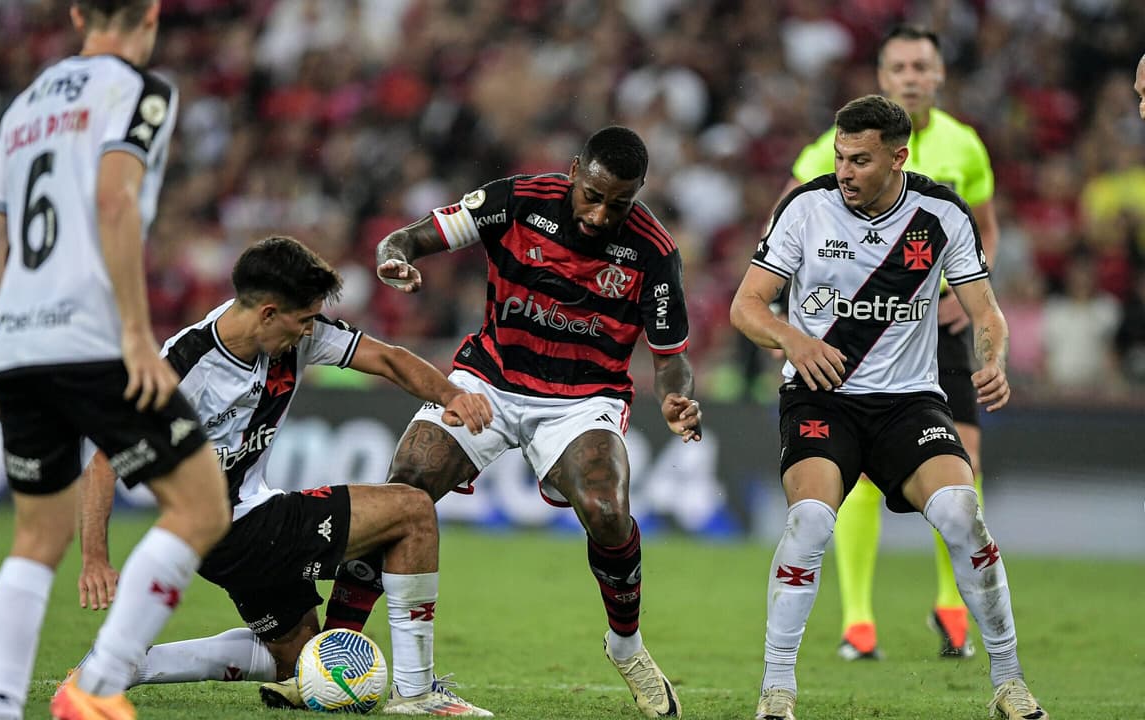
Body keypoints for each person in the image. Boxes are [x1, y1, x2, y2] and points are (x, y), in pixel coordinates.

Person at [323, 125, 701, 719]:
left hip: (583, 398)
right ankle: (333, 650)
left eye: (618, 203)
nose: (601, 214)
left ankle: (626, 648)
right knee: (406, 485)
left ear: (639, 194)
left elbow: (671, 359)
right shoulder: (516, 200)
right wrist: (393, 258)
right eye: (592, 195)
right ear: (575, 170)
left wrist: (678, 399)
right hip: (489, 380)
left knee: (607, 511)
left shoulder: (653, 251)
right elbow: (410, 237)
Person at [74, 236, 496, 716]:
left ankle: (123, 664)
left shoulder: (298, 333)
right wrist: (94, 559)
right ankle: (417, 692)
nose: (309, 330)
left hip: (239, 528)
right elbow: (105, 460)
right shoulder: (185, 366)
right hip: (232, 526)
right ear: (268, 313)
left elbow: (387, 358)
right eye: (303, 319)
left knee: (296, 662)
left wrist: (451, 395)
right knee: (412, 510)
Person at [732, 94, 1047, 720]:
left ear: (898, 158)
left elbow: (986, 313)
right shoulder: (807, 208)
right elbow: (748, 305)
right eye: (840, 157)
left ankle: (1009, 684)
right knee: (811, 523)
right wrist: (794, 338)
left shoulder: (940, 214)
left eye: (860, 160)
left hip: (908, 402)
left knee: (963, 513)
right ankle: (777, 691)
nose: (844, 172)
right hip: (821, 395)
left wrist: (993, 360)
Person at [0, 2, 231, 719]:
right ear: (150, 13)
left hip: (18, 338)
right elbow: (114, 201)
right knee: (202, 506)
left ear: (80, 11)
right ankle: (100, 684)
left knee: (35, 538)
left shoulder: (24, 105)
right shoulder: (141, 90)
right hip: (90, 335)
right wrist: (137, 334)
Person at [783, 24, 1000, 661]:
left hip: (938, 334)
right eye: (898, 66)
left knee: (962, 466)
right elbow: (786, 221)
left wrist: (967, 294)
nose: (910, 76)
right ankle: (858, 620)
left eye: (921, 66)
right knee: (861, 476)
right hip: (855, 334)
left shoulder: (964, 145)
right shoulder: (838, 146)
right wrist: (791, 328)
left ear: (938, 76)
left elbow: (985, 229)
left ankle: (951, 608)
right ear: (882, 77)